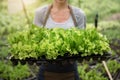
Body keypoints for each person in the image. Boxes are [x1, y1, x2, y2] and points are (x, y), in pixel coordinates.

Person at [33, 0, 86, 80]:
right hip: (46, 72)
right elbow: (35, 41)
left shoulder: (79, 14)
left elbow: (82, 43)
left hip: (70, 71)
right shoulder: (40, 13)